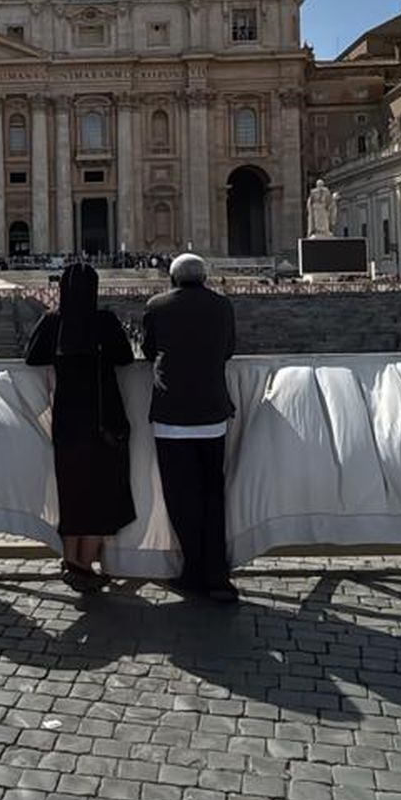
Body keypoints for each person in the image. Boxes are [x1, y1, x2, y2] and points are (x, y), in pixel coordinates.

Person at [26, 261, 135, 591]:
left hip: (67, 421)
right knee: (101, 493)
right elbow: (126, 358)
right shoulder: (104, 321)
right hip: (103, 420)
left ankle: (71, 559)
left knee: (72, 491)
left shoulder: (53, 321)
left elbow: (32, 357)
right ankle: (84, 564)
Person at [142, 253, 238, 602]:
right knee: (214, 497)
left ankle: (193, 570)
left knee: (182, 499)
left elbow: (149, 349)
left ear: (172, 278)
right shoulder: (222, 305)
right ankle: (219, 575)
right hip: (212, 414)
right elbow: (229, 349)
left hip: (173, 417)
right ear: (204, 277)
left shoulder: (157, 306)